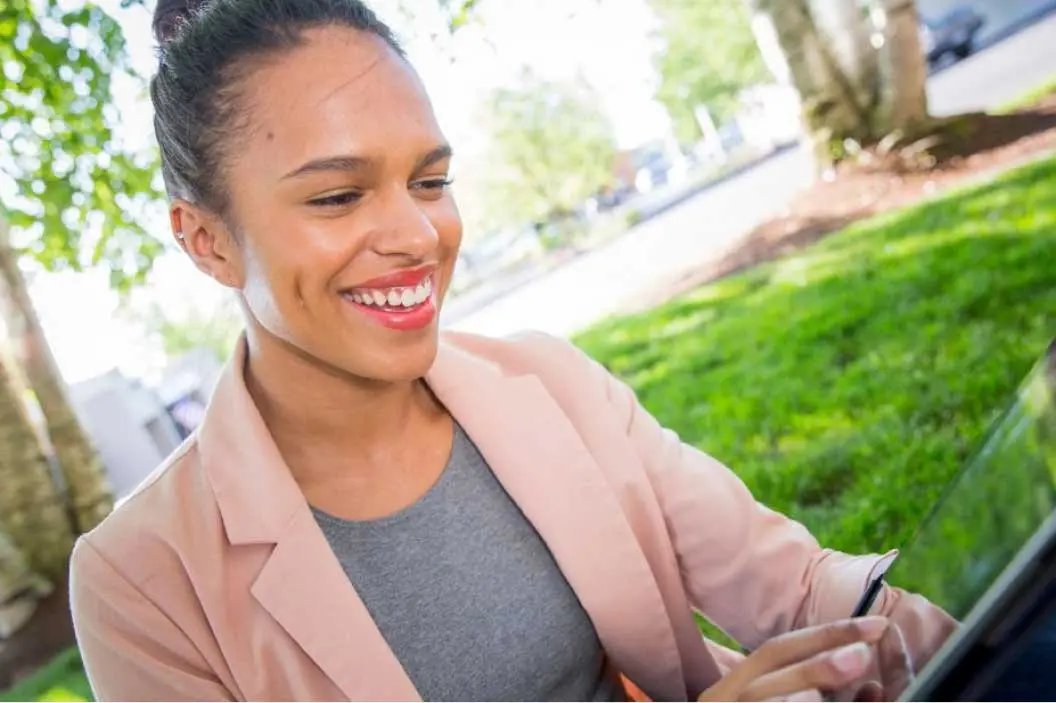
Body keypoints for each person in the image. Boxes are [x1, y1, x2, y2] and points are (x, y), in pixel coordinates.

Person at [68, 0, 956, 700]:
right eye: (338, 196)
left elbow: (798, 587)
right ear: (207, 240)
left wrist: (989, 615)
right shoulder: (139, 580)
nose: (417, 233)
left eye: (431, 180)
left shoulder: (547, 381)